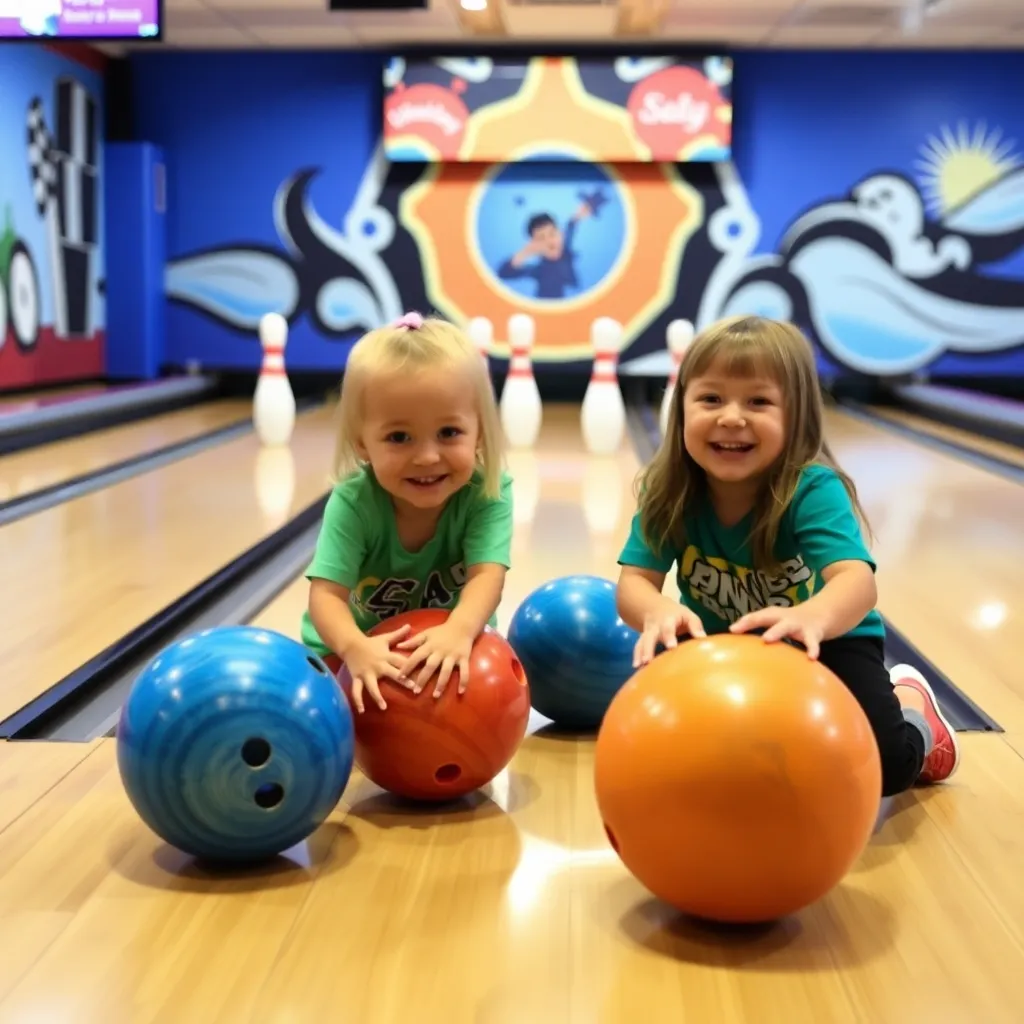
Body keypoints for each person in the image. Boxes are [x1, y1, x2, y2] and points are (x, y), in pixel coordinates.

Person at [615, 314, 959, 794]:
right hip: (723, 646)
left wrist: (814, 618)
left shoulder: (810, 489)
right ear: (681, 409)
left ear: (795, 416)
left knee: (884, 769)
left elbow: (857, 582)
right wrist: (658, 611)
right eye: (710, 399)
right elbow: (634, 583)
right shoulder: (668, 489)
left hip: (830, 639)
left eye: (758, 401)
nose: (731, 417)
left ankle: (915, 707)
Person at [301, 311, 513, 714]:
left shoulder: (489, 491)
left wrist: (459, 630)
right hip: (351, 650)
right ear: (362, 444)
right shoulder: (354, 502)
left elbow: (488, 575)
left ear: (480, 431)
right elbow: (326, 596)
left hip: (456, 637)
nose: (428, 457)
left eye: (449, 432)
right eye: (399, 437)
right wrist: (354, 648)